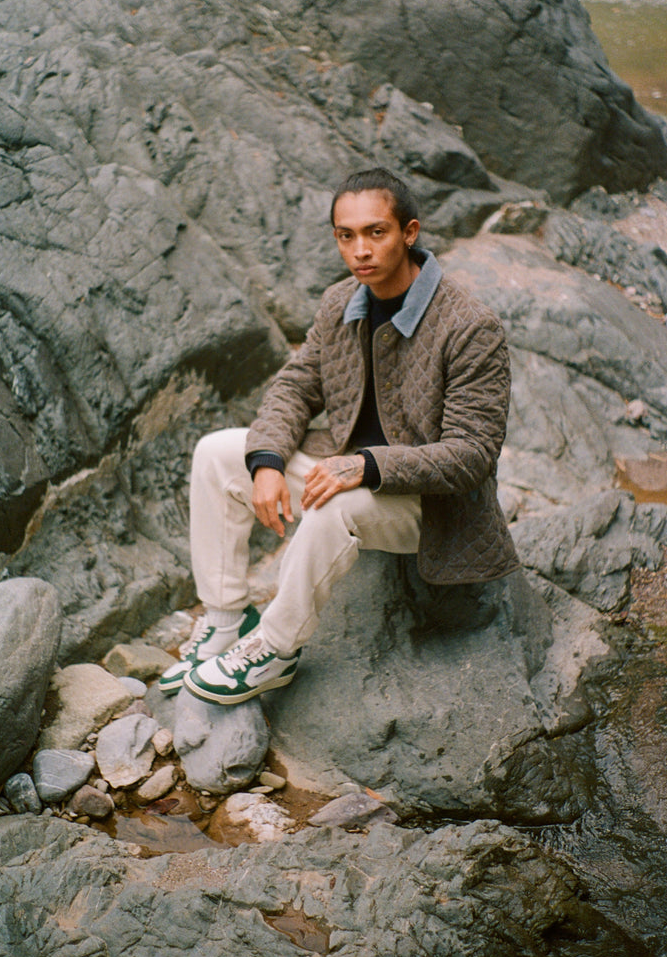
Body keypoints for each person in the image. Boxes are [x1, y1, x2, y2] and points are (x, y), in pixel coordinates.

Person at [158, 167, 520, 704]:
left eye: (377, 232)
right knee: (216, 453)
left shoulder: (471, 326)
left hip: (432, 506)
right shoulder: (340, 303)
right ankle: (225, 620)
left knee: (332, 509)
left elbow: (472, 455)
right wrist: (268, 463)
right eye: (346, 236)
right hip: (345, 466)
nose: (361, 250)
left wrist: (366, 466)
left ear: (410, 232)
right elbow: (298, 386)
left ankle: (274, 650)